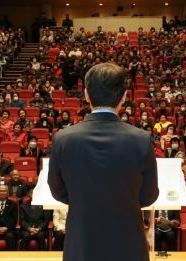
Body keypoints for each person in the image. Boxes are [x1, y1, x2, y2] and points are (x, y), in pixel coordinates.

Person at [48, 63, 159, 261]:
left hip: (82, 243)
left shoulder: (63, 138)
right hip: (128, 245)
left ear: (86, 95)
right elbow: (148, 196)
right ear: (124, 96)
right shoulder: (141, 139)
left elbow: (58, 190)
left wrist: (86, 202)